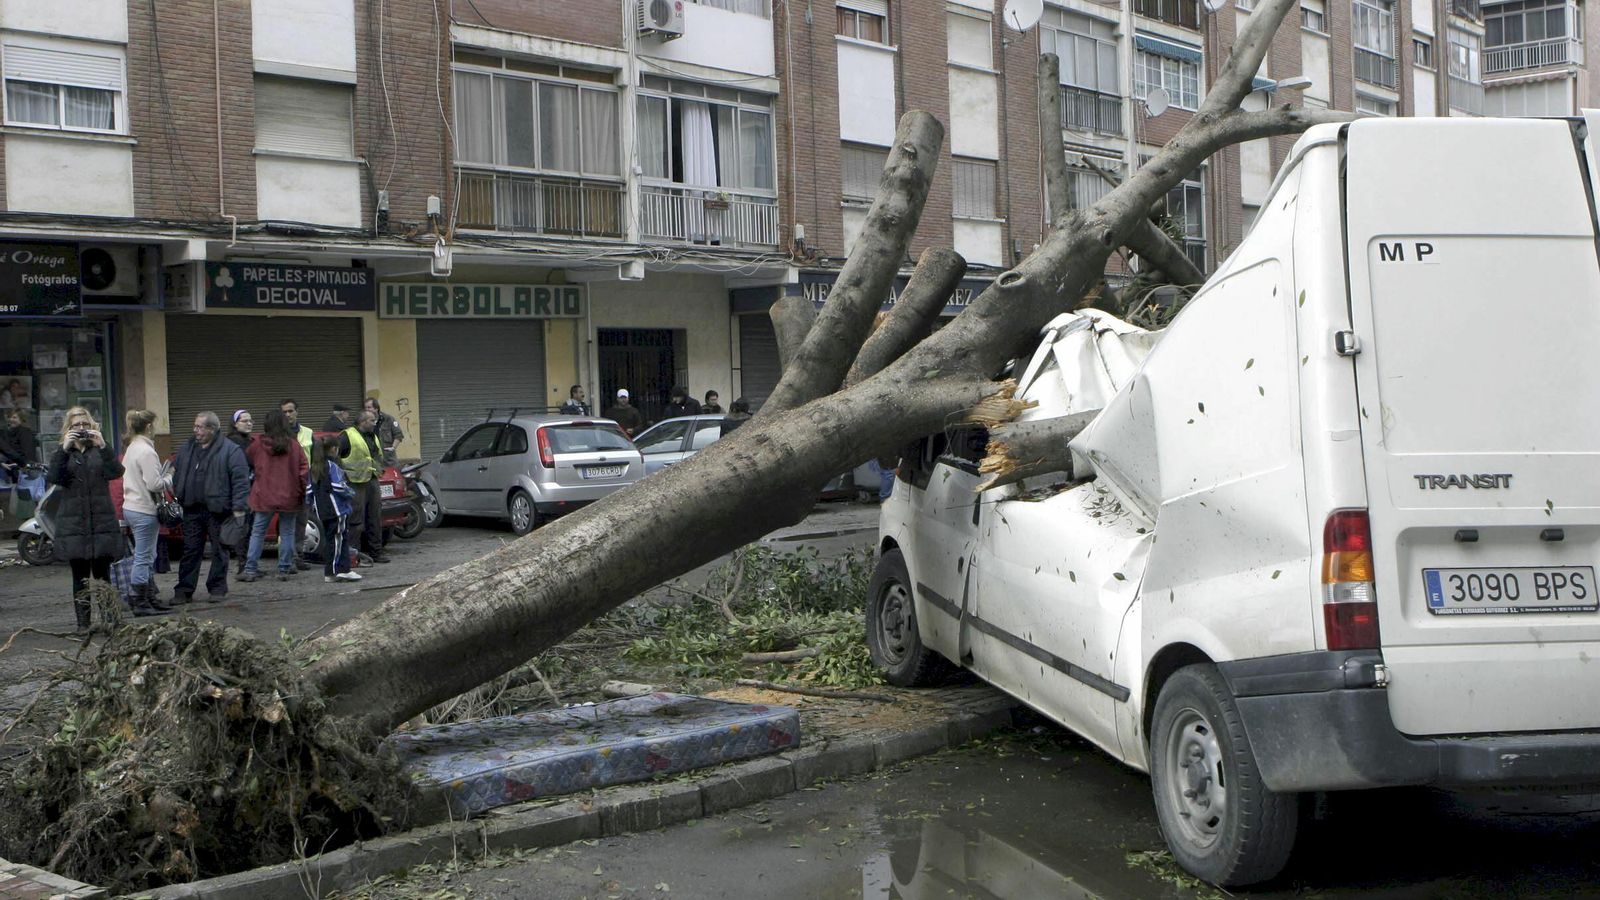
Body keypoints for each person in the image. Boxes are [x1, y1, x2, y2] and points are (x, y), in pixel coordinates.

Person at [47, 407, 149, 631]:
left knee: (103, 576)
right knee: (80, 578)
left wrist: (103, 446)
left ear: (92, 425)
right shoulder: (64, 453)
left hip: (101, 520)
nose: (81, 428)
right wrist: (64, 450)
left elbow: (116, 472)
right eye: (76, 425)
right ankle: (83, 625)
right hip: (74, 523)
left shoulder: (99, 450)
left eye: (85, 424)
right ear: (68, 429)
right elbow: (54, 478)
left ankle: (110, 621)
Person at [171, 411, 251, 603]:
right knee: (190, 550)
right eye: (195, 426)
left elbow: (241, 480)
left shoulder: (230, 450)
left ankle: (217, 588)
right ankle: (183, 590)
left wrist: (239, 507)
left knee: (219, 550)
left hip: (218, 510)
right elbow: (177, 471)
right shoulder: (187, 447)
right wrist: (178, 493)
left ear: (212, 429)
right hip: (191, 508)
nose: (195, 431)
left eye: (199, 427)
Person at [242, 410, 309, 583]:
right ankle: (283, 569)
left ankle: (250, 569)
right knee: (287, 532)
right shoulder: (294, 446)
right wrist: (302, 492)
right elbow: (303, 471)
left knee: (257, 532)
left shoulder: (257, 445)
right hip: (289, 496)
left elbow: (247, 463)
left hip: (264, 496)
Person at [120, 409, 173, 615]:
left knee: (147, 553)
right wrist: (169, 476)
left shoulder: (132, 448)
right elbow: (155, 484)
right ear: (149, 426)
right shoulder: (147, 451)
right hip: (144, 508)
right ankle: (140, 600)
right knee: (144, 556)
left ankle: (149, 597)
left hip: (131, 506)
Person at [307, 434, 361, 583]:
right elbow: (339, 486)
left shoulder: (313, 468)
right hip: (338, 510)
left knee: (333, 539)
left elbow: (309, 491)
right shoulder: (332, 467)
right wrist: (350, 493)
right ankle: (337, 570)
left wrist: (311, 505)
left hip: (323, 511)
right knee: (339, 540)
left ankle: (338, 570)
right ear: (333, 449)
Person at [339, 409, 389, 565]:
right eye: (372, 420)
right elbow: (336, 457)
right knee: (355, 520)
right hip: (354, 482)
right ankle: (353, 555)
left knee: (374, 517)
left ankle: (376, 552)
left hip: (371, 480)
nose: (375, 423)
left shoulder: (372, 436)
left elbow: (375, 457)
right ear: (363, 422)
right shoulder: (347, 436)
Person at [364, 397, 404, 465]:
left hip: (388, 459)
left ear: (376, 408)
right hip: (372, 460)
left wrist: (393, 447)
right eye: (365, 408)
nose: (366, 410)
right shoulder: (363, 421)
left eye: (369, 407)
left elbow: (399, 435)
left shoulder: (388, 419)